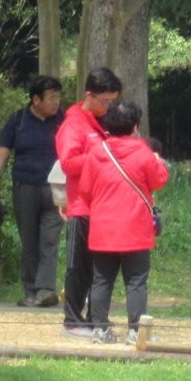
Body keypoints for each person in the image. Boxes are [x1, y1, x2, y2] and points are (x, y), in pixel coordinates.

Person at [80, 101, 168, 345]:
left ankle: (100, 329)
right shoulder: (142, 152)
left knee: (101, 280)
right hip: (135, 228)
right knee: (136, 281)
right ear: (135, 127)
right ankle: (135, 331)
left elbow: (85, 188)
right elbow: (159, 180)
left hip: (103, 228)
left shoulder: (97, 152)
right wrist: (158, 160)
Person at [56, 67, 122, 337]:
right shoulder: (73, 123)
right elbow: (69, 162)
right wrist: (102, 155)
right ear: (89, 96)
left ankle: (95, 318)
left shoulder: (103, 121)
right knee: (77, 265)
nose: (108, 107)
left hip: (104, 206)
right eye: (105, 101)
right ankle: (72, 320)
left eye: (112, 102)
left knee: (100, 267)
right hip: (82, 206)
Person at [0, 76, 64, 307]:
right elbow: (2, 151)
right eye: (51, 98)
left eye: (58, 97)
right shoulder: (18, 119)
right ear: (36, 99)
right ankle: (31, 291)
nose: (56, 102)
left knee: (50, 240)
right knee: (29, 240)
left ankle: (46, 289)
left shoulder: (64, 120)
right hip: (25, 187)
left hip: (56, 189)